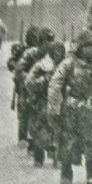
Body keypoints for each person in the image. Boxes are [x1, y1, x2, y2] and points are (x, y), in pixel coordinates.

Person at [46, 30, 92, 184]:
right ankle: (66, 174)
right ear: (80, 47)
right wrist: (54, 108)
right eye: (86, 46)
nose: (89, 50)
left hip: (91, 109)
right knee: (68, 142)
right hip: (71, 109)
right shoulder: (69, 63)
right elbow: (55, 85)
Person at [24, 39, 66, 167]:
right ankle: (39, 156)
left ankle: (58, 158)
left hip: (61, 100)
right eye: (56, 51)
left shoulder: (66, 65)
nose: (58, 53)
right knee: (42, 129)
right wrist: (44, 79)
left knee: (61, 129)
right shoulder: (41, 65)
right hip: (43, 100)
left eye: (61, 51)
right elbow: (29, 82)